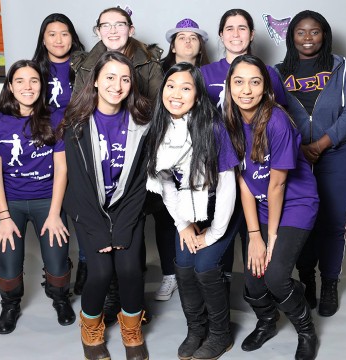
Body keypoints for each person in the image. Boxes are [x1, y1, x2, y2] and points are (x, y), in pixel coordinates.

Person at [70, 6, 164, 321]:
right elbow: (79, 120)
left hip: (134, 160)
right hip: (98, 171)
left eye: (119, 24)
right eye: (106, 25)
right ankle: (109, 300)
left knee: (130, 252)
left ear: (131, 28)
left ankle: (131, 304)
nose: (113, 30)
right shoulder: (84, 65)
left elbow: (157, 110)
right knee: (100, 257)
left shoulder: (149, 62)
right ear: (97, 30)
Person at [224, 54, 320, 359]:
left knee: (276, 277)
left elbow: (277, 185)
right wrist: (255, 235)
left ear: (266, 88)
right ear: (229, 86)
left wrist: (272, 237)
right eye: (238, 82)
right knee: (254, 279)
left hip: (296, 202)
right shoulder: (227, 121)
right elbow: (244, 182)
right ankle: (267, 322)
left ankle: (306, 330)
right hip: (262, 204)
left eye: (255, 82)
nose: (246, 90)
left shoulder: (277, 121)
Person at [275, 10, 346, 317]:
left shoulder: (343, 68)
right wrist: (299, 147)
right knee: (301, 223)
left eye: (314, 32)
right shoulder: (276, 73)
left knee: (332, 224)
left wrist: (322, 143)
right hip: (294, 158)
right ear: (292, 37)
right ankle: (306, 280)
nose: (307, 38)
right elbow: (270, 114)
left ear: (324, 35)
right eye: (301, 32)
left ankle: (329, 282)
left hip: (338, 155)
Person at [60, 51, 150, 360]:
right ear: (96, 81)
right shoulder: (75, 124)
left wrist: (123, 227)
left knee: (129, 269)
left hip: (127, 210)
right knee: (98, 273)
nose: (118, 85)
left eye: (125, 79)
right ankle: (91, 328)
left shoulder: (143, 122)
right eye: (110, 77)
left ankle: (132, 329)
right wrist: (99, 230)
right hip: (90, 211)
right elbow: (77, 185)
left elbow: (141, 182)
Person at [146, 62, 238, 360]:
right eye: (170, 86)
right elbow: (167, 186)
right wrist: (183, 224)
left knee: (205, 267)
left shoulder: (214, 127)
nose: (176, 93)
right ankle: (196, 329)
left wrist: (213, 234)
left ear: (197, 96)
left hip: (219, 209)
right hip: (185, 209)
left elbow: (227, 187)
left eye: (186, 88)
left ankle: (220, 333)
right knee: (184, 268)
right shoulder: (158, 129)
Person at [0, 60, 74, 335]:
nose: (27, 86)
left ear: (41, 85)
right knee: (8, 263)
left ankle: (60, 299)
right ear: (10, 86)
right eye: (20, 80)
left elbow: (62, 169)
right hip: (11, 204)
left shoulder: (56, 118)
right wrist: (4, 217)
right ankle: (10, 305)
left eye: (33, 80)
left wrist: (55, 213)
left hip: (48, 200)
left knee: (57, 260)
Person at [200, 8, 287, 292]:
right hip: (221, 170)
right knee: (222, 232)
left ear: (251, 34)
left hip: (255, 171)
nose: (236, 34)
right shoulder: (205, 73)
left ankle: (260, 294)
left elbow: (280, 117)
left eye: (242, 28)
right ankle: (221, 291)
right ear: (221, 35)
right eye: (229, 28)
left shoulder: (268, 73)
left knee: (254, 238)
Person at [149, 18, 211, 303]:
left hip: (201, 164)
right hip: (167, 162)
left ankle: (205, 274)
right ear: (172, 45)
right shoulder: (159, 75)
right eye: (181, 37)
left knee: (204, 214)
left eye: (194, 37)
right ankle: (170, 273)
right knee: (166, 216)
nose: (187, 41)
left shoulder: (210, 75)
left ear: (201, 46)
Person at [31, 12, 89, 296]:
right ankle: (57, 268)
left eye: (64, 33)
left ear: (73, 37)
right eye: (51, 34)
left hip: (78, 143)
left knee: (83, 205)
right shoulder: (34, 69)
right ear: (43, 39)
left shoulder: (85, 66)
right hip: (45, 146)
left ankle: (87, 265)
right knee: (54, 203)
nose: (58, 39)